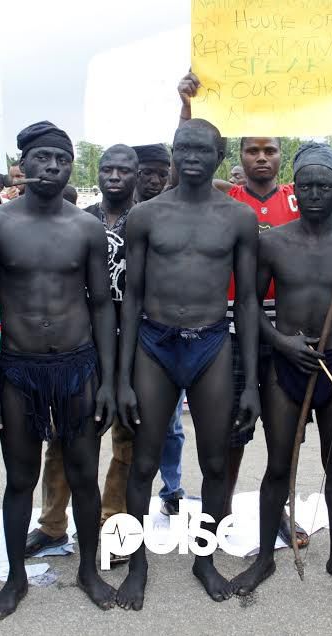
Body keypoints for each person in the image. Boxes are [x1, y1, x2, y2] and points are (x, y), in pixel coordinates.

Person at [176, 66, 332, 548]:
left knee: (292, 438)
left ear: (283, 160)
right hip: (239, 329)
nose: (261, 156)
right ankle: (220, 514)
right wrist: (187, 107)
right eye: (252, 150)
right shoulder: (226, 197)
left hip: (303, 336)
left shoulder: (299, 196)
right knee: (235, 429)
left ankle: (282, 513)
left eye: (270, 150)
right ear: (239, 157)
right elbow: (186, 164)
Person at [0, 121, 118, 615]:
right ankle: (16, 578)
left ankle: (88, 571)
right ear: (22, 165)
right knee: (19, 478)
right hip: (19, 369)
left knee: (83, 474)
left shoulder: (86, 227)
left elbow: (102, 305)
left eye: (62, 159)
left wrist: (108, 381)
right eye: (43, 158)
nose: (53, 166)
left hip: (77, 367)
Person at [116, 118, 261, 609]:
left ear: (220, 157)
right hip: (154, 344)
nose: (192, 157)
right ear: (174, 152)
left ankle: (205, 558)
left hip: (211, 343)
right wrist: (123, 378)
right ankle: (137, 565)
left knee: (215, 462)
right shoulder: (146, 215)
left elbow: (247, 302)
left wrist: (251, 383)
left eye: (203, 150)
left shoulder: (237, 218)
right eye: (184, 148)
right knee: (144, 461)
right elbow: (132, 297)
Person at [231, 143, 332, 597]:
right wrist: (280, 342)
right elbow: (249, 304)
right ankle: (264, 558)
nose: (315, 194)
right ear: (295, 189)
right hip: (286, 367)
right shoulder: (273, 241)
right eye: (307, 185)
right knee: (278, 466)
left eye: (324, 186)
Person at [24, 144, 138, 560]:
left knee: (129, 437)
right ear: (97, 172)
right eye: (107, 169)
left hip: (137, 339)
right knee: (65, 435)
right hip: (83, 341)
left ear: (136, 174)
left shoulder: (147, 219)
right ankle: (52, 525)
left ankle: (113, 522)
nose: (114, 177)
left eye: (123, 170)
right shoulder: (78, 219)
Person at [132, 143, 187, 516]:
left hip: (165, 335)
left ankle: (172, 489)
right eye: (146, 172)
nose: (154, 180)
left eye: (161, 173)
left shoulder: (176, 212)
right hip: (118, 332)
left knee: (169, 423)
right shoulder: (109, 214)